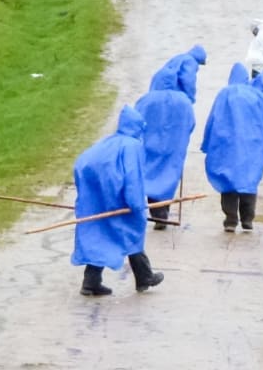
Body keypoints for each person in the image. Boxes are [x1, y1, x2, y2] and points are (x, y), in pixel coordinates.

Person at [71, 105, 165, 296]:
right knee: (132, 233)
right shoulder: (132, 146)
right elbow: (133, 179)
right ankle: (144, 277)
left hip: (97, 197)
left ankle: (91, 283)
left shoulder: (108, 142)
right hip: (116, 198)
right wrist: (136, 205)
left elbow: (83, 164)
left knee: (102, 235)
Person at [201, 62, 263, 232]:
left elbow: (212, 120)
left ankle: (230, 218)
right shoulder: (256, 95)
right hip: (253, 146)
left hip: (227, 146)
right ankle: (247, 219)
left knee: (227, 180)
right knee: (249, 181)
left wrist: (206, 143)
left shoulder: (224, 94)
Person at [136, 66, 196, 230]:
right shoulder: (184, 101)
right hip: (174, 147)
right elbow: (191, 124)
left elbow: (135, 121)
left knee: (151, 177)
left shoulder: (146, 100)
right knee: (168, 178)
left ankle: (157, 214)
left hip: (150, 146)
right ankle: (162, 213)